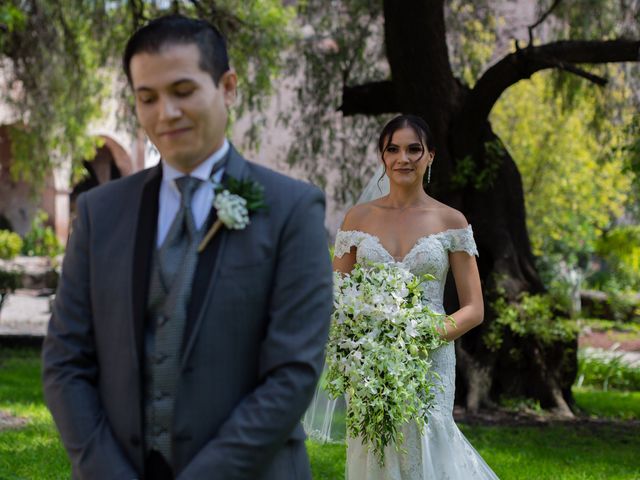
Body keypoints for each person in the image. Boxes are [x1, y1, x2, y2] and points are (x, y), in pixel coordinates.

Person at [42, 14, 333, 480]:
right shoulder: (100, 213)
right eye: (147, 98)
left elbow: (292, 374)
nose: (165, 114)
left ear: (228, 88)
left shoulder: (292, 210)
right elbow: (64, 361)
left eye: (182, 91)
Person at [333, 114, 499, 479]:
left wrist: (423, 336)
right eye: (393, 149)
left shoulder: (450, 220)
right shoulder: (357, 219)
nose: (403, 158)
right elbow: (337, 297)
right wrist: (366, 342)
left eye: (413, 149)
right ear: (382, 156)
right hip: (370, 360)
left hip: (430, 357)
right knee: (373, 447)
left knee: (429, 439)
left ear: (430, 157)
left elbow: (474, 308)